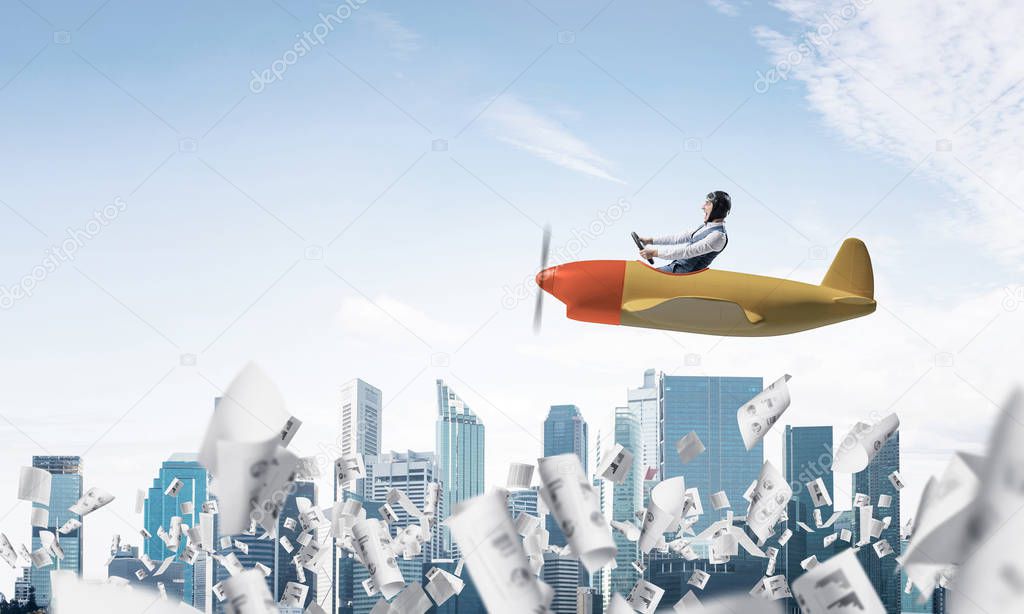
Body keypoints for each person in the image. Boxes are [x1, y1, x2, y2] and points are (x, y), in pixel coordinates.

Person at [638, 191, 731, 273]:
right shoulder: (705, 227)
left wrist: (654, 253)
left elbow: (687, 252)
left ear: (717, 209)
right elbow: (678, 238)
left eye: (707, 203)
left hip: (684, 275)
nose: (703, 207)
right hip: (676, 269)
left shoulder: (718, 236)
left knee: (643, 277)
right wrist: (650, 240)